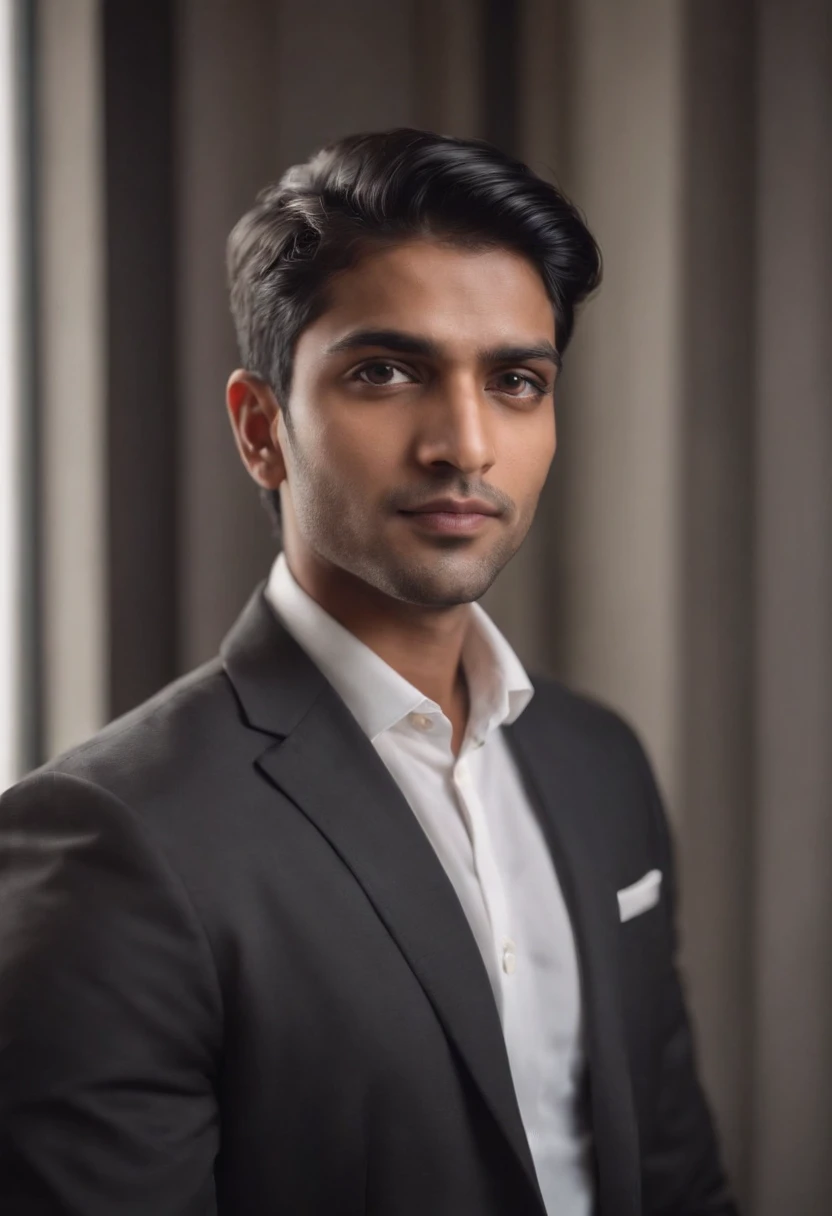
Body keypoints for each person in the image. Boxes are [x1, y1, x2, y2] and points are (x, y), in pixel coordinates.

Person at [0, 129, 737, 1216]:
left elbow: (675, 1183)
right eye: (385, 372)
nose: (465, 443)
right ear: (262, 430)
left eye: (516, 380)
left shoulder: (597, 764)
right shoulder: (109, 842)